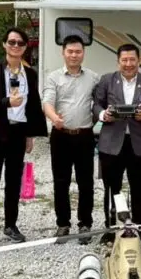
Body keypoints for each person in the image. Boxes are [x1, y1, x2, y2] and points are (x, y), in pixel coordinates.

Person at [0, 27, 47, 247]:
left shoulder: (30, 73)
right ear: (4, 44)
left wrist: (30, 134)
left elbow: (33, 105)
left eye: (20, 43)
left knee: (14, 181)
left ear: (25, 47)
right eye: (12, 42)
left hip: (19, 132)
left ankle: (10, 225)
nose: (16, 46)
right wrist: (6, 102)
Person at [93, 43, 141, 245]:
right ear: (118, 61)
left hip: (138, 143)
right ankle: (111, 228)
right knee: (111, 189)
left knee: (139, 188)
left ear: (139, 61)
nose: (128, 64)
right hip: (111, 143)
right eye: (124, 60)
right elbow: (96, 104)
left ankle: (138, 228)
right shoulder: (107, 80)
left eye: (132, 59)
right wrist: (103, 115)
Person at [42, 35, 100, 244]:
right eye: (70, 51)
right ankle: (63, 224)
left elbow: (100, 103)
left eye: (78, 51)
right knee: (61, 181)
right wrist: (54, 118)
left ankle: (85, 224)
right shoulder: (53, 77)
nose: (74, 55)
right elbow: (47, 102)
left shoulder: (93, 78)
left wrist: (96, 119)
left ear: (83, 53)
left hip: (84, 136)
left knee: (86, 182)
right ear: (63, 53)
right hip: (61, 136)